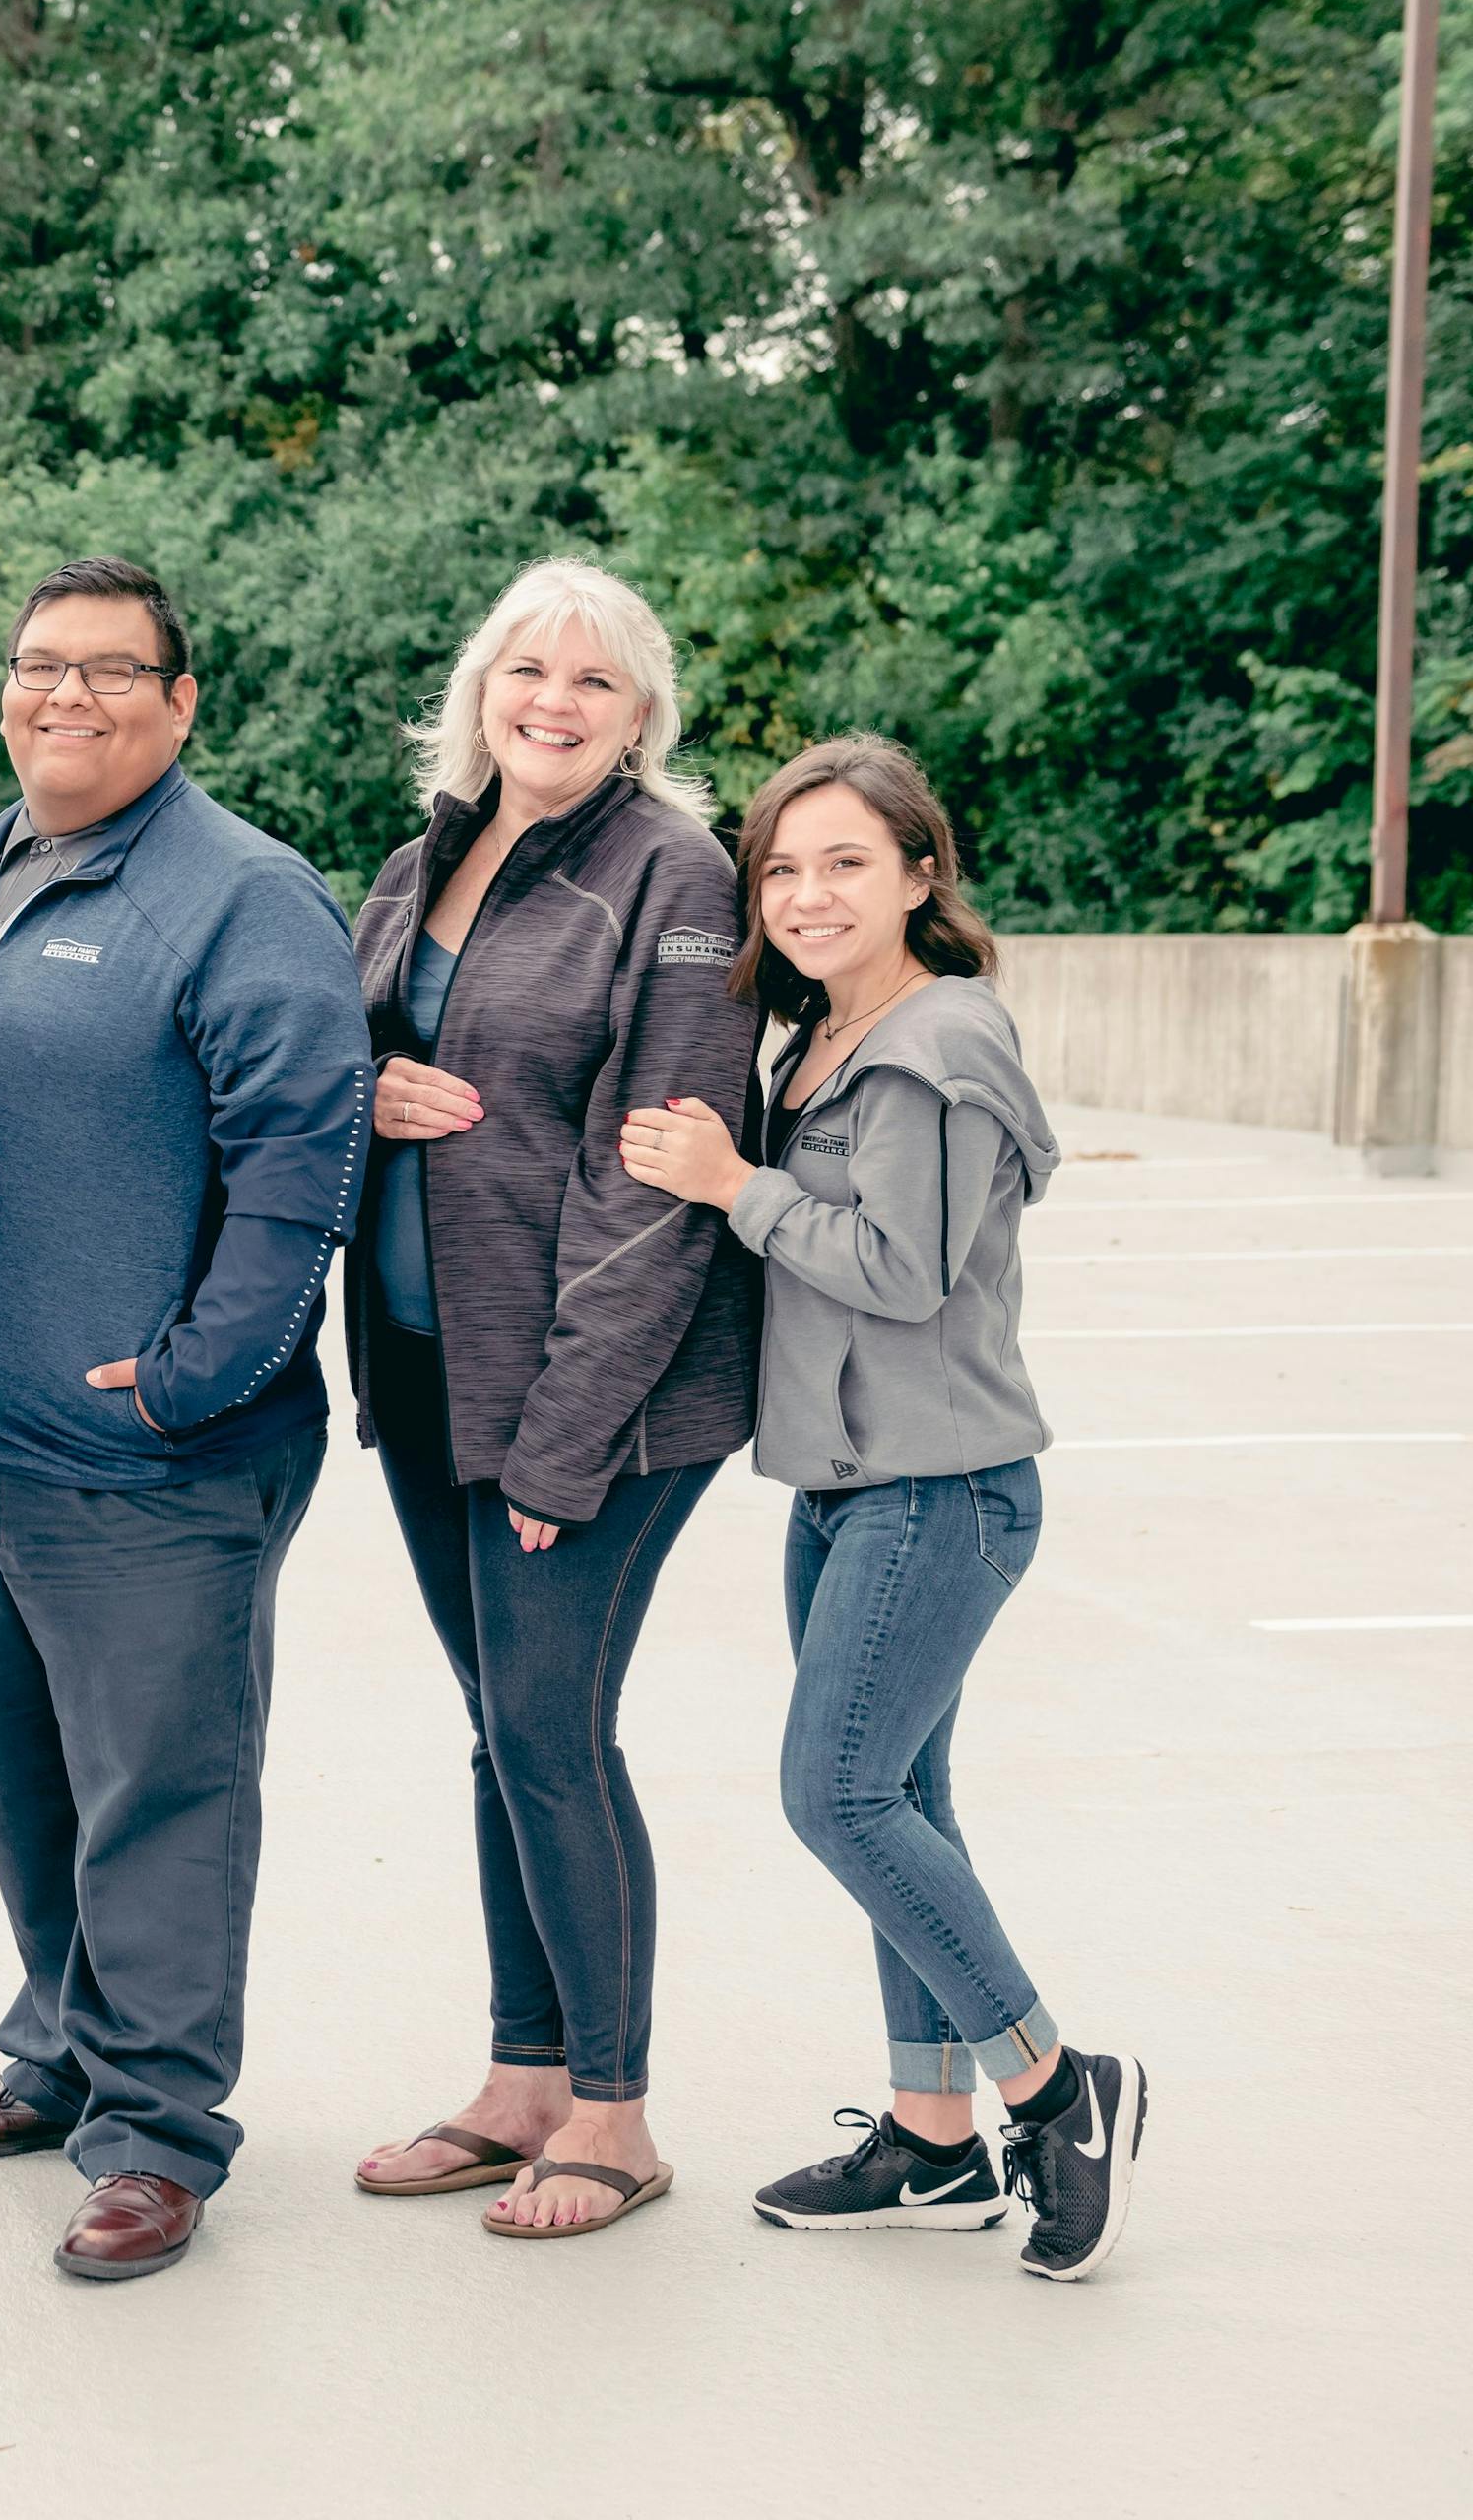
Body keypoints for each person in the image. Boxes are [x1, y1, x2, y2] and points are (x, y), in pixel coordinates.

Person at [0, 558, 373, 2282]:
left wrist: (194, 1376)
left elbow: (307, 1163)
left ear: (181, 700)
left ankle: (158, 2131)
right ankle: (63, 2043)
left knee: (159, 1790)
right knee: (24, 1778)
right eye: (37, 666)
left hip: (153, 1463)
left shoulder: (243, 898)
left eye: (109, 671)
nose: (64, 696)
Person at [619, 733, 1145, 2281]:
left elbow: (900, 1273)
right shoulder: (824, 1043)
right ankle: (930, 2139)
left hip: (940, 1486)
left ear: (924, 874)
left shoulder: (937, 1042)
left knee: (836, 1795)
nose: (806, 893)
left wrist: (734, 1186)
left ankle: (1054, 2084)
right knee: (903, 1805)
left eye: (846, 860)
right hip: (852, 1490)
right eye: (781, 867)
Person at [345, 557, 759, 2238]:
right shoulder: (420, 861)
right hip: (429, 1367)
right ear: (482, 689)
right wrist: (363, 1086)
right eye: (529, 671)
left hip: (600, 1402)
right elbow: (337, 1057)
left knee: (547, 1724)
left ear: (641, 713)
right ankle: (520, 2079)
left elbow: (651, 1184)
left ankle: (614, 2111)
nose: (556, 702)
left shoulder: (677, 878)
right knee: (500, 1728)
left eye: (595, 681)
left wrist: (565, 1442)